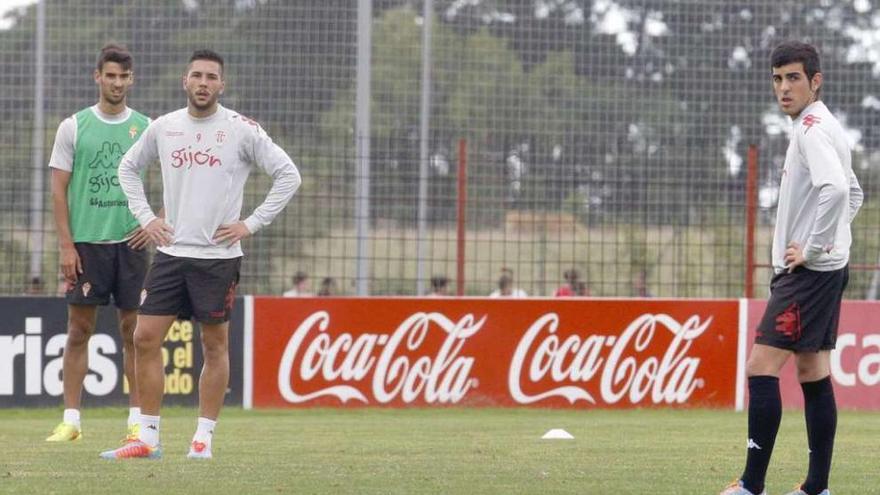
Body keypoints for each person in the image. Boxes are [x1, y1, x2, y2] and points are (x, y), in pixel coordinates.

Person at [100, 49, 301, 460]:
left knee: (214, 346)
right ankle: (148, 438)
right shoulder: (165, 127)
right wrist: (146, 218)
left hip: (218, 259)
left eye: (212, 76)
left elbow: (288, 175)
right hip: (171, 254)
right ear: (185, 82)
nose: (204, 82)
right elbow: (126, 169)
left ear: (221, 85)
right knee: (144, 337)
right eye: (197, 75)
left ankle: (202, 439)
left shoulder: (241, 130)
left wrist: (250, 223)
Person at [721, 41, 862, 495]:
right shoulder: (825, 125)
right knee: (812, 371)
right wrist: (832, 241)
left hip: (809, 275)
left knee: (761, 367)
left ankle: (751, 486)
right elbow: (854, 193)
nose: (783, 87)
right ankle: (816, 488)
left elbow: (838, 191)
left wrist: (816, 248)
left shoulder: (810, 130)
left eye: (793, 78)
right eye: (778, 78)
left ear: (815, 80)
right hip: (826, 271)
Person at [46, 44, 151, 444]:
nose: (117, 83)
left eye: (124, 76)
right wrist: (66, 246)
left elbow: (178, 173)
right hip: (87, 244)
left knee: (133, 332)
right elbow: (59, 191)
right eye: (111, 75)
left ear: (131, 79)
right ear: (97, 77)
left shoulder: (145, 126)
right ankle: (71, 420)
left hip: (130, 242)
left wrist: (156, 219)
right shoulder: (73, 126)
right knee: (79, 330)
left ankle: (137, 422)